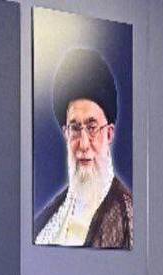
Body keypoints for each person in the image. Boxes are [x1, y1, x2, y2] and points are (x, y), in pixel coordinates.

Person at [33, 48, 132, 249]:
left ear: (109, 134)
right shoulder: (48, 218)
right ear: (66, 134)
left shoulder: (127, 216)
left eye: (92, 127)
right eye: (75, 129)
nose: (83, 144)